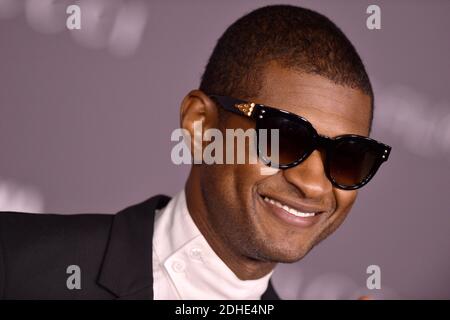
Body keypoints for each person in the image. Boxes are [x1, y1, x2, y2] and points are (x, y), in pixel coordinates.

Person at [0, 5, 391, 300]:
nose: (313, 185)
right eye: (282, 138)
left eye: (348, 156)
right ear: (201, 125)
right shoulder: (15, 261)